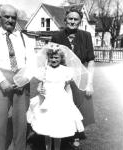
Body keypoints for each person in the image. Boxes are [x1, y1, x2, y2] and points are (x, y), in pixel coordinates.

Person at [0, 4, 36, 150]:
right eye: (7, 16)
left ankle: (19, 147)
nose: (10, 20)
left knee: (20, 122)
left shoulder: (24, 38)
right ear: (0, 17)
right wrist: (2, 81)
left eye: (13, 17)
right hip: (0, 79)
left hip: (21, 79)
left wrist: (24, 79)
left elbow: (32, 62)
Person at [27, 42, 89, 150]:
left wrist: (70, 103)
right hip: (46, 101)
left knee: (58, 129)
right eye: (51, 58)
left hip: (60, 100)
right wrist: (39, 90)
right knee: (47, 128)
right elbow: (39, 85)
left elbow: (68, 88)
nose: (54, 60)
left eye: (56, 57)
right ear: (48, 58)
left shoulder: (66, 71)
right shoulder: (44, 70)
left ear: (61, 58)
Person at [51, 6, 95, 147]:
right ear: (65, 20)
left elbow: (91, 60)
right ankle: (62, 133)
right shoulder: (57, 36)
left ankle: (75, 135)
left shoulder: (86, 36)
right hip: (61, 77)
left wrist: (89, 83)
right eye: (70, 18)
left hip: (80, 76)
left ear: (80, 21)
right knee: (61, 106)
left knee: (78, 106)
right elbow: (50, 58)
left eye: (76, 19)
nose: (72, 21)